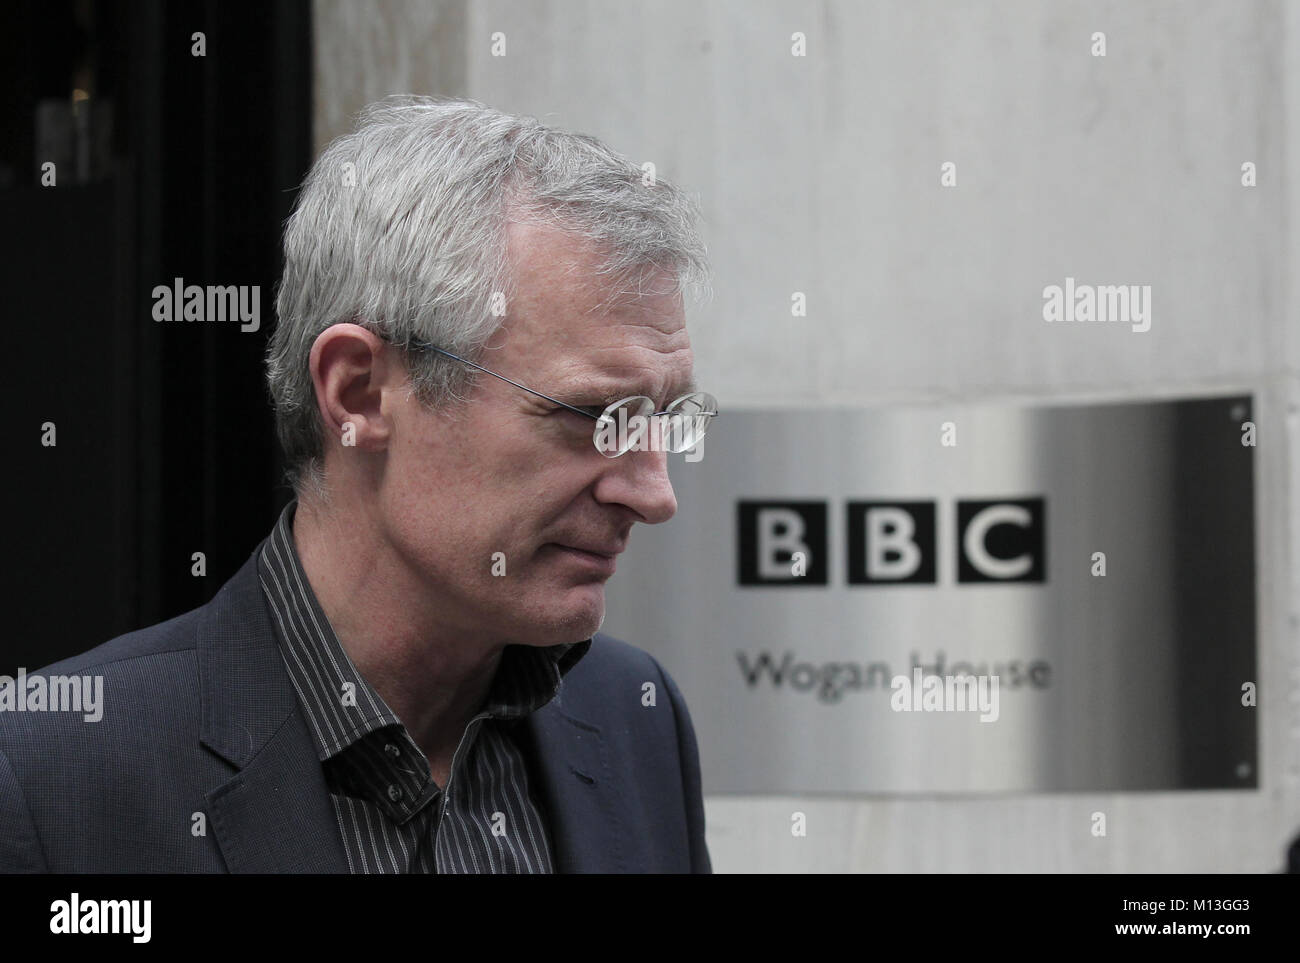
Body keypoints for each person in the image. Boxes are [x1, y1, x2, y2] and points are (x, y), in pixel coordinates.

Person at [0, 96, 714, 873]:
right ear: (360, 393)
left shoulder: (633, 720)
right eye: (591, 414)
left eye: (666, 418)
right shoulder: (56, 780)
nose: (654, 494)